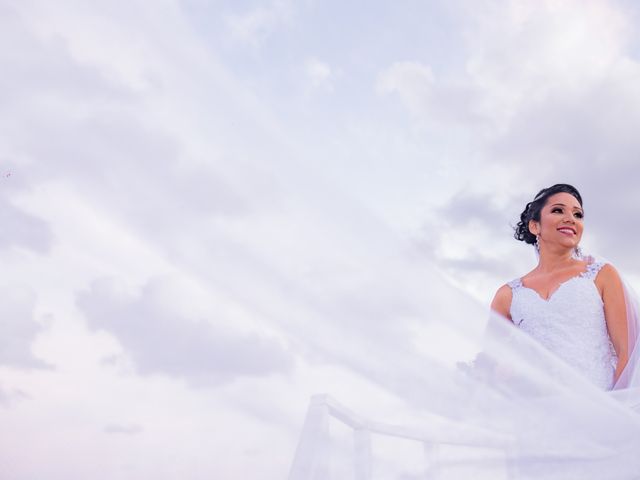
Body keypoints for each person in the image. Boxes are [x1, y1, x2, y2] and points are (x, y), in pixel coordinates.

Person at [490, 184, 630, 390]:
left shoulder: (602, 275)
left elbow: (627, 350)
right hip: (533, 408)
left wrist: (616, 407)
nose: (570, 219)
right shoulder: (508, 294)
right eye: (558, 210)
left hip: (597, 405)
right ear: (534, 226)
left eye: (578, 214)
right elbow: (490, 358)